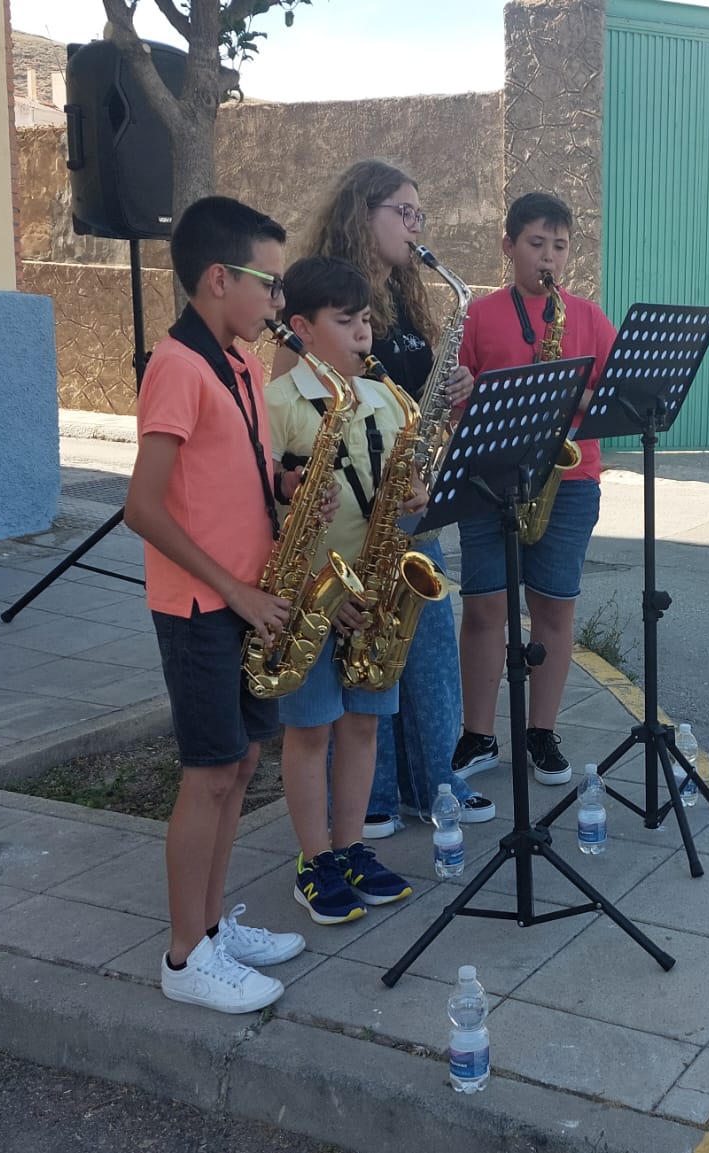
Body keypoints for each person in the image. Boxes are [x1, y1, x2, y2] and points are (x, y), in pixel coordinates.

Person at [123, 196, 307, 1014]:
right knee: (206, 773)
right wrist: (233, 587)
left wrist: (288, 485)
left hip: (248, 597)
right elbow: (145, 506)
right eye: (269, 284)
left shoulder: (238, 365)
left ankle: (211, 926)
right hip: (202, 606)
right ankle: (183, 953)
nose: (277, 303)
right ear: (217, 278)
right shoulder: (178, 365)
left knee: (241, 763)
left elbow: (235, 474)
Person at [289, 159, 497, 834]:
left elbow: (417, 392)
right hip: (356, 506)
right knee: (361, 657)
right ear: (362, 211)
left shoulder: (409, 297)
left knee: (426, 647)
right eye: (402, 212)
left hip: (410, 498)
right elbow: (301, 397)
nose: (415, 227)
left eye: (419, 215)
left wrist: (453, 387)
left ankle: (433, 781)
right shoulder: (328, 292)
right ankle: (369, 798)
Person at [263, 255, 417, 925]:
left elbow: (411, 493)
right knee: (310, 732)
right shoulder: (278, 404)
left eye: (367, 321)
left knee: (362, 725)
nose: (364, 335)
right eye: (346, 321)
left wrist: (417, 496)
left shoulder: (388, 400)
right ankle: (314, 857)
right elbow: (258, 507)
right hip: (306, 593)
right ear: (300, 327)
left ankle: (351, 846)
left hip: (375, 590)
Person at [454, 191, 616, 783]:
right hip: (489, 477)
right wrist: (464, 392)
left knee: (553, 607)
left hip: (568, 479)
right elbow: (457, 397)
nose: (548, 257)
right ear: (509, 246)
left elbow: (616, 402)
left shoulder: (590, 319)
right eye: (536, 244)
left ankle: (542, 732)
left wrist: (572, 394)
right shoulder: (478, 314)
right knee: (484, 608)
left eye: (560, 247)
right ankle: (477, 735)